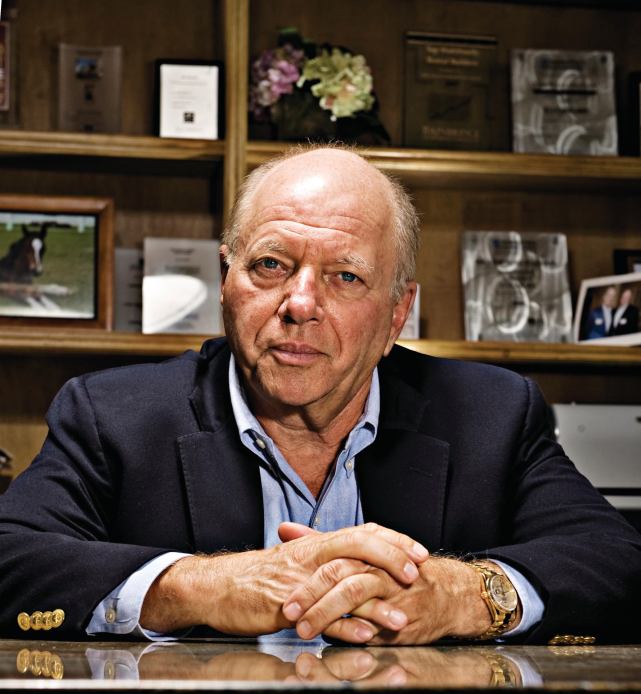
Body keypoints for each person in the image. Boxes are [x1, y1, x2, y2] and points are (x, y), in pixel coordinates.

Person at [1, 145, 640, 644]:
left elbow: (615, 563)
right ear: (227, 281)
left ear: (397, 314)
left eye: (346, 276)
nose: (300, 304)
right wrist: (202, 584)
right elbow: (13, 557)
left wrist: (463, 594)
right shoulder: (112, 414)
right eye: (271, 266)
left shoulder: (491, 413)